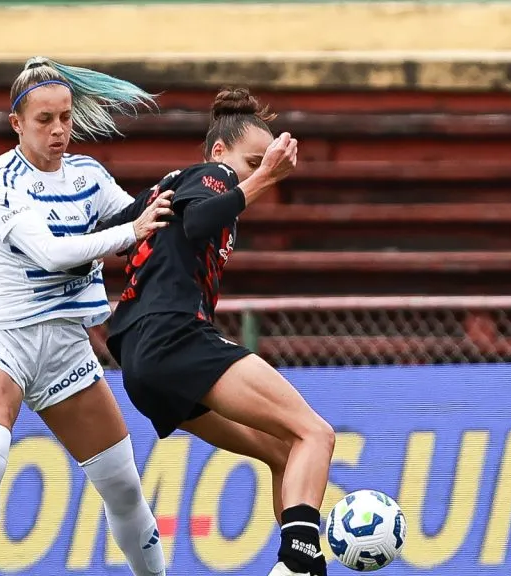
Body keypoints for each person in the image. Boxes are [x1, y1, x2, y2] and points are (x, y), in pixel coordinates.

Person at [0, 56, 173, 576]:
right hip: (2, 342)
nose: (58, 131)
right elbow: (53, 254)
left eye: (66, 118)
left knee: (122, 486)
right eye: (44, 120)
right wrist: (134, 230)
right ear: (16, 124)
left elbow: (137, 217)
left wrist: (198, 194)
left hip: (65, 348)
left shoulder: (88, 175)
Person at [105, 88, 336, 576]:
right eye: (252, 160)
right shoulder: (212, 177)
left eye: (262, 164)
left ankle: (300, 567)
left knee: (284, 450)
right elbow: (200, 219)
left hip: (140, 365)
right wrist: (264, 179)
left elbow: (108, 238)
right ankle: (298, 565)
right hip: (175, 338)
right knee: (315, 433)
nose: (256, 171)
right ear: (219, 151)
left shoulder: (160, 192)